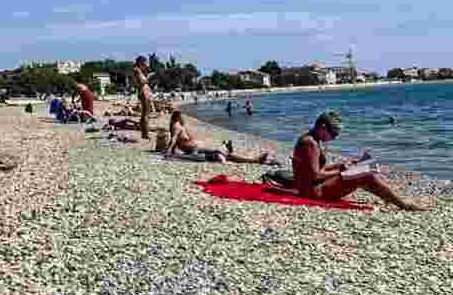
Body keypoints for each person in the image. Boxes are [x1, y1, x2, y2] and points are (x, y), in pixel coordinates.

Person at [293, 111, 424, 210]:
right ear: (322, 127)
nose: (334, 138)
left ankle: (388, 197)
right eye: (333, 133)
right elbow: (315, 175)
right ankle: (402, 204)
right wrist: (342, 170)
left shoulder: (310, 139)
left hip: (310, 187)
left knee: (359, 169)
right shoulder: (310, 144)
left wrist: (343, 165)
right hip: (313, 192)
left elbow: (316, 170)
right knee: (363, 175)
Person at [164, 111, 279, 164]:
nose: (183, 117)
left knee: (226, 154)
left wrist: (173, 151)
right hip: (195, 150)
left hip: (197, 148)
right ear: (178, 116)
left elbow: (176, 141)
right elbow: (174, 139)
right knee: (224, 153)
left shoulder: (178, 125)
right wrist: (169, 153)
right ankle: (254, 160)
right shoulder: (177, 127)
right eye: (181, 115)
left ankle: (253, 160)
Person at [133, 56, 153, 140]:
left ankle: (144, 133)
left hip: (143, 93)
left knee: (145, 114)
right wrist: (149, 77)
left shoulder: (137, 70)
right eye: (146, 62)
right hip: (144, 93)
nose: (147, 64)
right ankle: (145, 134)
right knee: (146, 114)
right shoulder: (137, 70)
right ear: (142, 62)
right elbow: (142, 82)